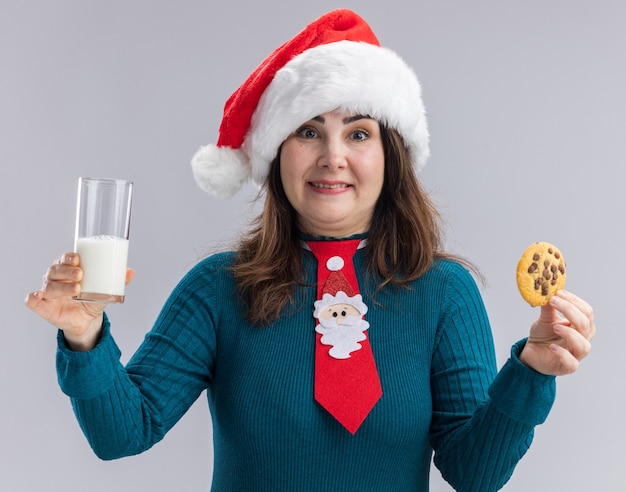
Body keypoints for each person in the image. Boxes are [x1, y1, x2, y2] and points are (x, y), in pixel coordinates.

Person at [25, 9, 595, 492]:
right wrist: (85, 336)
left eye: (358, 132)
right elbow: (124, 433)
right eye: (307, 131)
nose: (332, 157)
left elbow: (475, 473)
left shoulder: (445, 293)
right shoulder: (218, 289)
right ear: (277, 154)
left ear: (390, 155)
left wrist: (531, 372)